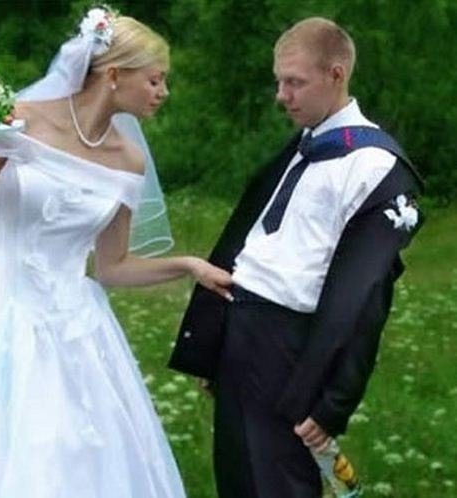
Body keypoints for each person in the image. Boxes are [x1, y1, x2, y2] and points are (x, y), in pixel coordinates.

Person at [0, 7, 232, 497]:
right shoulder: (20, 121)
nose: (163, 92)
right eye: (155, 79)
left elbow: (113, 267)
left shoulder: (129, 161)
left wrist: (187, 265)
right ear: (114, 75)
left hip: (73, 326)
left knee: (64, 451)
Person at [170, 17, 423, 497]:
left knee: (279, 484)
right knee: (239, 480)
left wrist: (334, 401)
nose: (281, 96)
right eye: (279, 82)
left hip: (289, 349)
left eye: (294, 82)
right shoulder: (304, 145)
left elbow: (367, 294)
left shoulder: (375, 167)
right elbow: (246, 242)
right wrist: (214, 339)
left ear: (336, 74)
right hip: (240, 331)